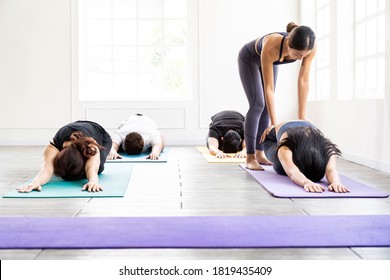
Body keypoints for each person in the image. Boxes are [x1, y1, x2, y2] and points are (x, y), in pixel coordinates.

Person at [238, 22, 316, 170]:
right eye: (298, 55)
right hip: (249, 59)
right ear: (288, 43)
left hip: (271, 61)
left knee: (267, 107)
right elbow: (269, 88)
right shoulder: (272, 45)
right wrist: (273, 123)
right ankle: (250, 157)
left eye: (304, 55)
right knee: (258, 104)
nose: (300, 59)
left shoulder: (310, 48)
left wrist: (302, 115)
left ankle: (260, 153)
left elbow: (303, 80)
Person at [18, 120, 112, 193]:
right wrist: (36, 182)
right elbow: (46, 169)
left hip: (101, 134)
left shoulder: (90, 146)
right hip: (76, 126)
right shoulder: (54, 145)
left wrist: (93, 181)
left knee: (98, 168)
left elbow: (91, 169)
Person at [263, 120, 349, 193]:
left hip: (304, 129)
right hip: (272, 139)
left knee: (314, 173)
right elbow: (293, 172)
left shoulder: (327, 148)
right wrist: (306, 182)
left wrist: (336, 182)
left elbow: (331, 169)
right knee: (280, 167)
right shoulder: (286, 148)